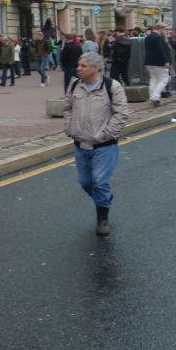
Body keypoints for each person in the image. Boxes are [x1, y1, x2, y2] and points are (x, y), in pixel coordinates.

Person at [63, 52, 129, 237]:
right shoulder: (75, 85)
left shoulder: (112, 86)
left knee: (99, 181)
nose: (79, 68)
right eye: (79, 65)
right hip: (80, 144)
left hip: (104, 146)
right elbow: (67, 108)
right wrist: (69, 128)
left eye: (83, 66)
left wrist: (106, 134)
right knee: (85, 182)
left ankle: (102, 219)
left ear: (96, 68)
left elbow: (121, 114)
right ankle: (104, 199)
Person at [141, 25, 171, 106]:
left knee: (153, 79)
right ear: (159, 28)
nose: (165, 31)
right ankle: (155, 97)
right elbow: (161, 50)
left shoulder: (147, 37)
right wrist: (166, 61)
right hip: (158, 62)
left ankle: (152, 96)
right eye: (165, 29)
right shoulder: (158, 37)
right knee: (164, 79)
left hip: (148, 62)